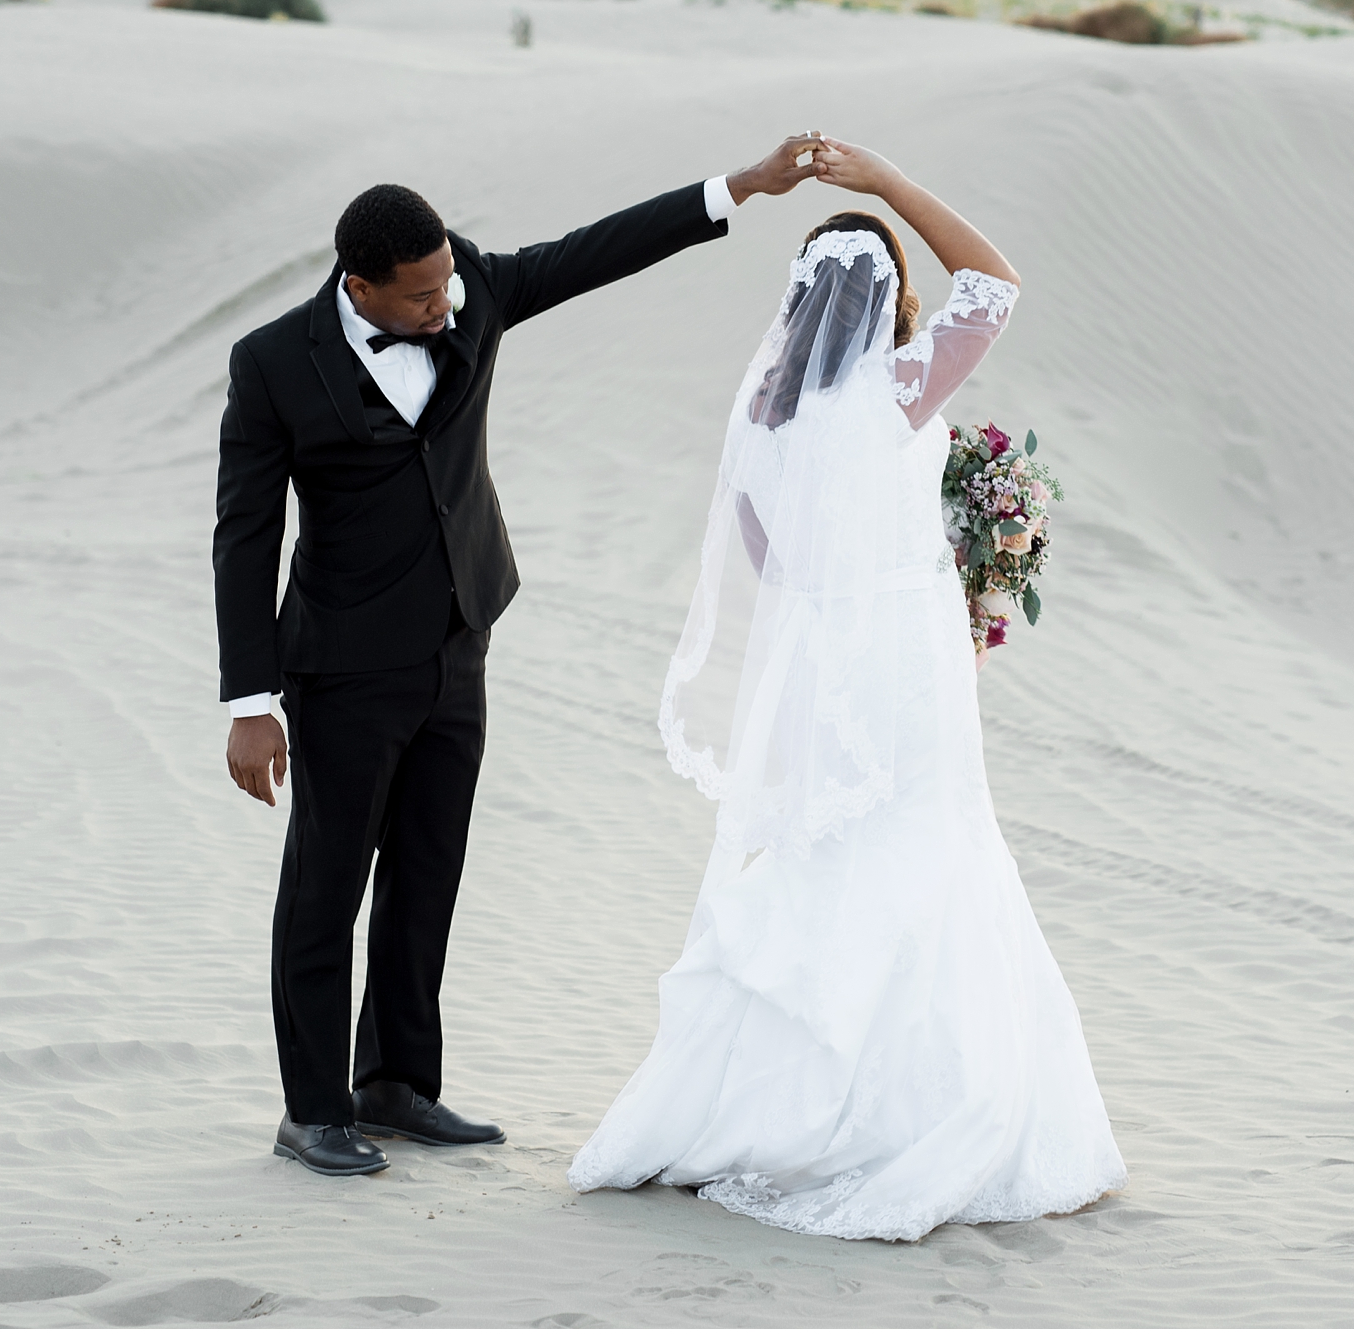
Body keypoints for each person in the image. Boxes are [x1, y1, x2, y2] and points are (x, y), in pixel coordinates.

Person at [216, 137, 825, 1177]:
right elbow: (244, 531)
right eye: (417, 298)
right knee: (326, 889)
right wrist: (248, 698)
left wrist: (738, 188)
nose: (443, 308)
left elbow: (594, 252)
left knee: (428, 873)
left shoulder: (472, 289)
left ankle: (397, 1085)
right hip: (343, 665)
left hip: (460, 641)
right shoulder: (271, 363)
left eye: (448, 281)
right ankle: (313, 1109)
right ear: (356, 286)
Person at [568, 136, 1126, 1241]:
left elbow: (773, 572)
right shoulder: (898, 393)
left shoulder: (763, 430)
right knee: (927, 852)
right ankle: (900, 1117)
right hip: (907, 662)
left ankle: (766, 1104)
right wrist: (887, 185)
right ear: (888, 301)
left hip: (820, 667)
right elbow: (998, 284)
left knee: (830, 857)